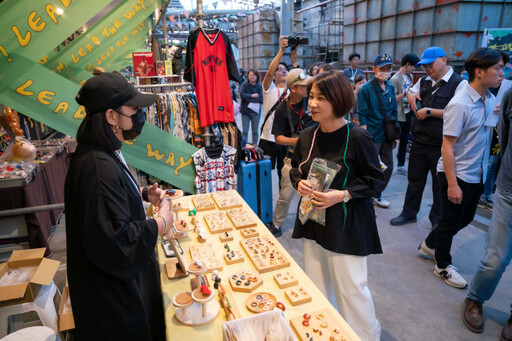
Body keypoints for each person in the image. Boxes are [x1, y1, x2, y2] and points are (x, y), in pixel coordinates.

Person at [66, 72, 172, 340]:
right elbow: (115, 241)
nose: (138, 115)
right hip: (113, 301)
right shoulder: (96, 168)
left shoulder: (100, 152)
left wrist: (142, 193)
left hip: (114, 290)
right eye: (133, 108)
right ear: (111, 116)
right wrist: (160, 223)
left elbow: (107, 201)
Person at [290, 70, 384, 341]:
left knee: (351, 290)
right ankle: (327, 333)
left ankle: (365, 336)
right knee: (317, 285)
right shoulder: (307, 136)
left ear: (339, 99)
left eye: (321, 97)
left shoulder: (357, 137)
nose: (313, 103)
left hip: (347, 224)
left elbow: (376, 180)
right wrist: (299, 184)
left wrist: (342, 195)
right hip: (313, 221)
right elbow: (296, 168)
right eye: (311, 97)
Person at [418, 48, 504, 289]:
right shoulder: (460, 104)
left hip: (477, 172)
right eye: (497, 68)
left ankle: (429, 245)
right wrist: (453, 184)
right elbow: (447, 147)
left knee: (464, 219)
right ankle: (442, 265)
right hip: (456, 173)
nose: (502, 73)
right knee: (449, 221)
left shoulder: (489, 98)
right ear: (479, 71)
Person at [390, 47, 467, 228]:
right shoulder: (424, 80)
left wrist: (430, 112)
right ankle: (409, 213)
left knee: (439, 185)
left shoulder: (459, 84)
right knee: (414, 180)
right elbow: (411, 91)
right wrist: (410, 96)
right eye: (424, 66)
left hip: (441, 143)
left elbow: (459, 112)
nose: (427, 69)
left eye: (430, 64)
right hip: (419, 140)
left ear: (444, 60)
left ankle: (437, 221)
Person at [463, 78, 512, 339]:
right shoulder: (509, 96)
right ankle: (475, 298)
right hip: (508, 189)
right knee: (495, 258)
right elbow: (502, 137)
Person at [268, 68, 316, 237]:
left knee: (314, 193)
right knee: (285, 194)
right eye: (304, 86)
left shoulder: (311, 102)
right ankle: (277, 223)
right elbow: (278, 138)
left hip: (314, 157)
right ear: (293, 88)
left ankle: (311, 223)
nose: (308, 88)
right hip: (293, 159)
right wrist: (301, 140)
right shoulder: (282, 110)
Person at [357, 53, 397, 208]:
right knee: (370, 167)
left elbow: (393, 110)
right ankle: (364, 195)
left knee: (388, 167)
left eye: (389, 68)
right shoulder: (365, 89)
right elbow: (363, 114)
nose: (386, 72)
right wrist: (365, 137)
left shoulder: (391, 86)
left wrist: (394, 135)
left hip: (387, 134)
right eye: (382, 68)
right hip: (372, 135)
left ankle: (377, 194)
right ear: (374, 69)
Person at [259, 36, 297, 199]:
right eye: (279, 70)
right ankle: (263, 210)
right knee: (263, 176)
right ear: (274, 76)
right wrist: (282, 51)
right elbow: (268, 72)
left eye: (285, 70)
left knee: (285, 178)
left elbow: (301, 80)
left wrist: (294, 62)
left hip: (285, 140)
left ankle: (278, 218)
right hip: (267, 139)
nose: (282, 71)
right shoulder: (269, 90)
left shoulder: (293, 92)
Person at [390, 53, 420, 175]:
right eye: (413, 66)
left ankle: (401, 165)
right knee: (393, 140)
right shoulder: (395, 79)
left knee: (404, 140)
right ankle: (388, 165)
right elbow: (391, 99)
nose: (414, 69)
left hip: (408, 112)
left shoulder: (410, 77)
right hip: (399, 114)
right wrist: (405, 94)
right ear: (407, 64)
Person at [239, 69, 263, 146]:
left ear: (257, 76)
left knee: (255, 131)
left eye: (254, 75)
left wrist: (248, 98)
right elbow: (242, 95)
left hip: (255, 112)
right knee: (245, 131)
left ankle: (255, 146)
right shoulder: (244, 85)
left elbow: (261, 98)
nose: (252, 77)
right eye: (250, 75)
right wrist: (252, 96)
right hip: (245, 111)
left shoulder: (259, 86)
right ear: (248, 76)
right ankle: (243, 146)